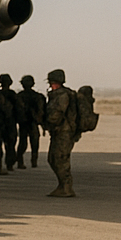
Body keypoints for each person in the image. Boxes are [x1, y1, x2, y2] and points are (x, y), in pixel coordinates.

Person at [44, 68, 78, 196]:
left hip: (64, 132)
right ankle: (63, 185)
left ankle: (66, 187)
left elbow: (56, 114)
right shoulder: (61, 94)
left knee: (60, 159)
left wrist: (47, 121)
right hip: (59, 132)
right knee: (53, 158)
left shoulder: (62, 95)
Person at [16, 74, 46, 168]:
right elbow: (42, 111)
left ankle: (21, 161)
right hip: (31, 122)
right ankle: (33, 161)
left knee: (23, 142)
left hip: (26, 122)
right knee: (34, 142)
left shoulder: (20, 96)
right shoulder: (38, 96)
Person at [0, 73, 21, 171]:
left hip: (0, 122)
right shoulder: (12, 95)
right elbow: (18, 108)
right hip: (9, 122)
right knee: (10, 144)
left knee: (0, 144)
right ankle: (9, 164)